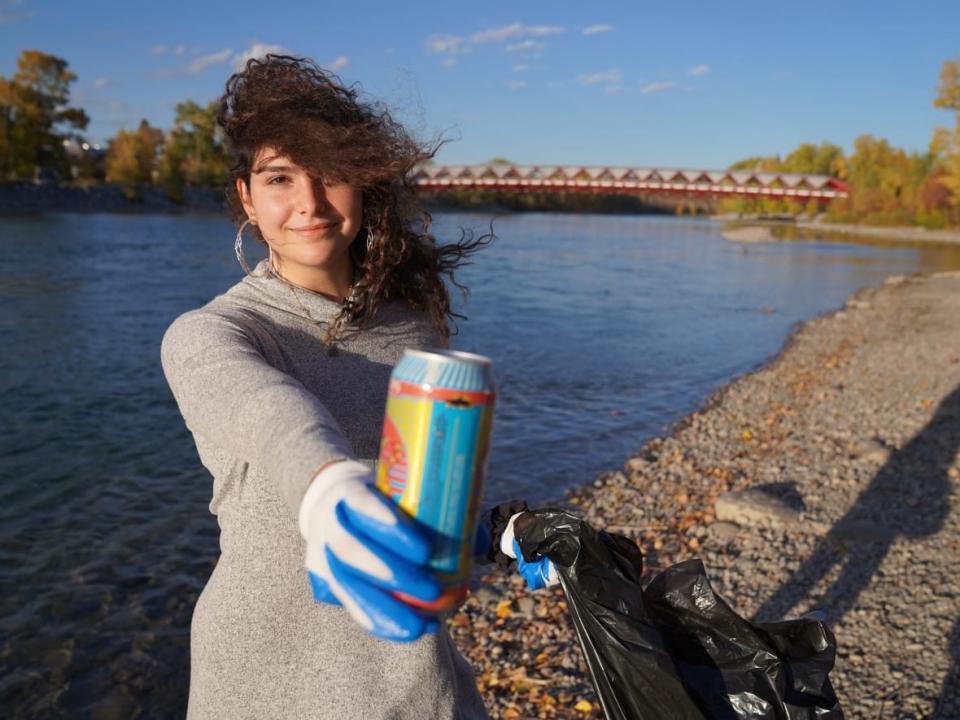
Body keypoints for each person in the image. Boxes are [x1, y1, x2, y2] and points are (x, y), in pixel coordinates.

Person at [160, 54, 514, 719]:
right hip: (263, 691)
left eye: (332, 174)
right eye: (280, 178)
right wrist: (328, 486)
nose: (309, 202)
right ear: (246, 197)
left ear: (365, 183)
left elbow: (420, 505)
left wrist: (500, 531)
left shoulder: (412, 330)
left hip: (418, 691)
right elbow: (268, 413)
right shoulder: (215, 333)